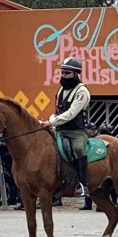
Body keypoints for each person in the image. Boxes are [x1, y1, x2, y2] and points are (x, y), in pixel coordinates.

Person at [40, 57, 91, 197]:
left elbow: (71, 113)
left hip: (76, 132)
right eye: (62, 73)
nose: (63, 76)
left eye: (67, 73)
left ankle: (83, 184)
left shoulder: (82, 91)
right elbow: (58, 111)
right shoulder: (61, 90)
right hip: (60, 130)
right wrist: (49, 120)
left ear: (76, 74)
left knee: (79, 149)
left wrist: (52, 122)